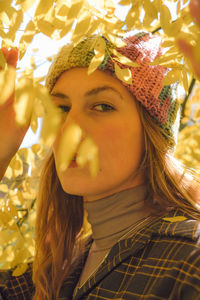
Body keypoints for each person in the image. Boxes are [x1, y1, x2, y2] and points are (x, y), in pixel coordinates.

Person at [0, 22, 200, 300]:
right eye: (61, 108)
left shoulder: (189, 257)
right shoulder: (53, 273)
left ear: (153, 132)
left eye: (103, 106)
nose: (71, 127)